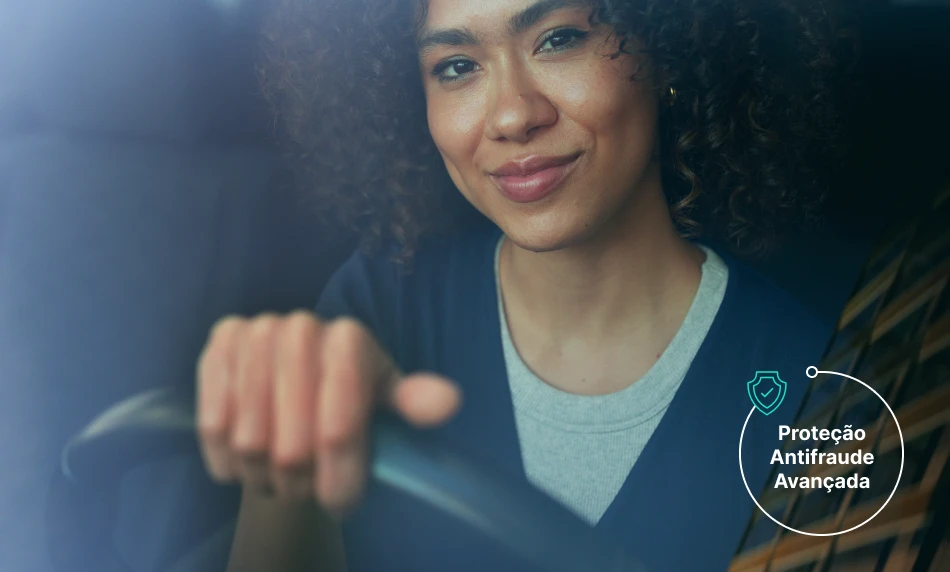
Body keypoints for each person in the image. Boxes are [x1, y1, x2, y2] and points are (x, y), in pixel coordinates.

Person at [196, 0, 848, 570]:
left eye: (559, 38)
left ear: (668, 46)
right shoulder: (379, 305)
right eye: (456, 66)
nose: (512, 115)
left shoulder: (818, 390)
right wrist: (283, 472)